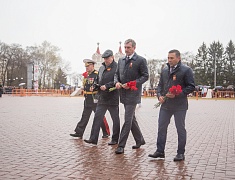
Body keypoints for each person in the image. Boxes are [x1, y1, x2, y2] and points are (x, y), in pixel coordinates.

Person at [148, 49, 195, 161]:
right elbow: (160, 86)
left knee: (180, 129)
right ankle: (160, 151)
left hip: (180, 106)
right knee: (161, 128)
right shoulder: (165, 70)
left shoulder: (186, 70)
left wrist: (178, 94)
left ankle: (180, 153)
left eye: (171, 58)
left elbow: (191, 86)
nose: (169, 60)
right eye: (168, 58)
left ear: (178, 58)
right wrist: (159, 95)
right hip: (166, 105)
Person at [114, 39, 149, 154]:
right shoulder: (121, 60)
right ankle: (140, 140)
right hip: (123, 94)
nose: (126, 49)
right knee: (131, 118)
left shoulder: (140, 60)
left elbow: (145, 76)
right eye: (125, 47)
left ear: (134, 48)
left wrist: (132, 84)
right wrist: (117, 82)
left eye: (128, 47)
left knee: (127, 119)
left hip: (133, 94)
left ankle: (121, 145)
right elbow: (116, 74)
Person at [84, 50, 120, 145]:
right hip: (102, 97)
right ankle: (93, 138)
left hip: (112, 97)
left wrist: (107, 86)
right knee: (97, 118)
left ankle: (115, 139)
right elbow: (98, 80)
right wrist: (94, 86)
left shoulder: (117, 67)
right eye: (104, 58)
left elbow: (117, 80)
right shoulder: (101, 68)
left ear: (112, 57)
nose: (106, 60)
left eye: (107, 58)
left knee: (115, 119)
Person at [70, 59, 110, 139]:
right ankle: (79, 132)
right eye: (86, 66)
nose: (86, 68)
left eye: (88, 66)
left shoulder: (97, 74)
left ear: (92, 65)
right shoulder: (87, 75)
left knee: (100, 116)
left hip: (95, 99)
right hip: (87, 99)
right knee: (84, 116)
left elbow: (100, 85)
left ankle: (106, 132)